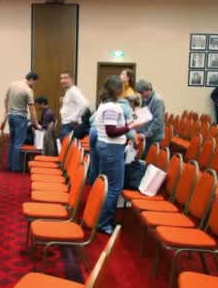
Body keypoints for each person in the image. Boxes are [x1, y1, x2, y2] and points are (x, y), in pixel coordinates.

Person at [93, 75, 145, 235]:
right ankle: (104, 222)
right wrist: (131, 126)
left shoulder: (106, 104)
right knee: (114, 187)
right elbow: (111, 131)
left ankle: (102, 218)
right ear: (117, 89)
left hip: (105, 146)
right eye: (121, 86)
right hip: (111, 148)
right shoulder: (112, 107)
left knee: (107, 185)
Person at [5, 72, 41, 172]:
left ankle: (9, 165)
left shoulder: (13, 84)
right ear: (32, 79)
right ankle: (16, 168)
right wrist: (36, 123)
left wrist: (7, 111)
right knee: (18, 143)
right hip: (20, 118)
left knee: (12, 141)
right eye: (35, 82)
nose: (34, 85)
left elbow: (5, 99)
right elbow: (32, 109)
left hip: (11, 117)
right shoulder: (28, 90)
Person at [135, 80, 165, 158]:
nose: (141, 96)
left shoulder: (157, 101)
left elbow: (158, 121)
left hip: (154, 138)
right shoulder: (146, 100)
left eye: (142, 93)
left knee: (148, 161)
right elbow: (143, 116)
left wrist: (145, 134)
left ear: (147, 90)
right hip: (147, 136)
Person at [59, 71, 88, 139]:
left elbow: (84, 104)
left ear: (71, 79)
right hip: (67, 124)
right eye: (61, 78)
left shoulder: (73, 90)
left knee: (67, 148)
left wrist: (75, 118)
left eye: (65, 78)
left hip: (70, 126)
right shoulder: (68, 91)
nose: (62, 80)